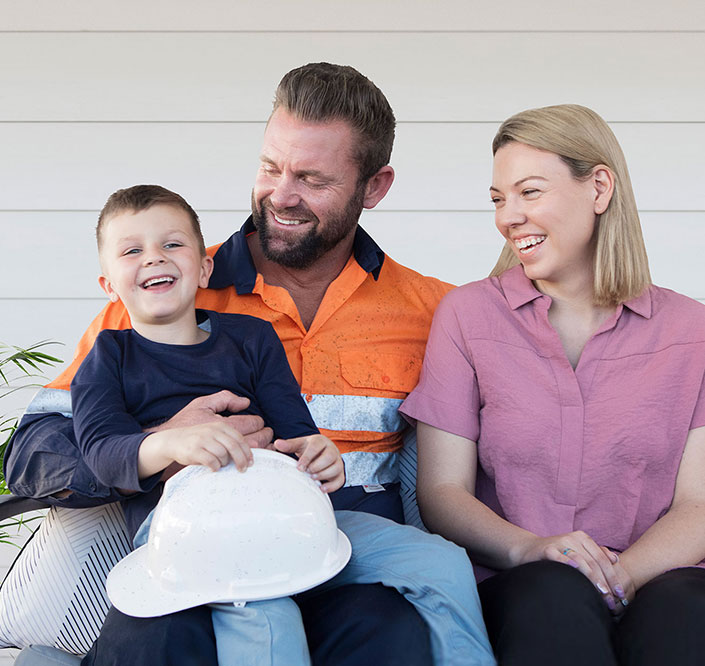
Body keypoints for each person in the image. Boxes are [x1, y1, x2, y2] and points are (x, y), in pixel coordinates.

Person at [5, 63, 494, 665]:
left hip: (344, 556)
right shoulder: (164, 292)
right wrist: (161, 441)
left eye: (312, 178)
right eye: (270, 168)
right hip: (199, 545)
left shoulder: (434, 310)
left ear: (374, 187)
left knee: (390, 632)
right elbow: (31, 455)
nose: (281, 195)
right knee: (155, 637)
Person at [72, 182, 494, 666]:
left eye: (172, 244)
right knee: (267, 620)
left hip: (293, 516)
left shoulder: (251, 337)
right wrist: (174, 442)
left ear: (204, 265)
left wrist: (319, 454)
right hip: (190, 533)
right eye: (132, 251)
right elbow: (102, 452)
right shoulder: (109, 356)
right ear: (108, 284)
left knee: (439, 562)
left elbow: (297, 429)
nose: (154, 258)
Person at [399, 103, 705, 665]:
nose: (507, 216)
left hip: (664, 578)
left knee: (687, 614)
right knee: (553, 596)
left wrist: (621, 575)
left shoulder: (694, 331)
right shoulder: (468, 316)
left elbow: (699, 505)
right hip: (521, 581)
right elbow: (443, 493)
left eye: (529, 192)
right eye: (497, 199)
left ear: (599, 188)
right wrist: (532, 549)